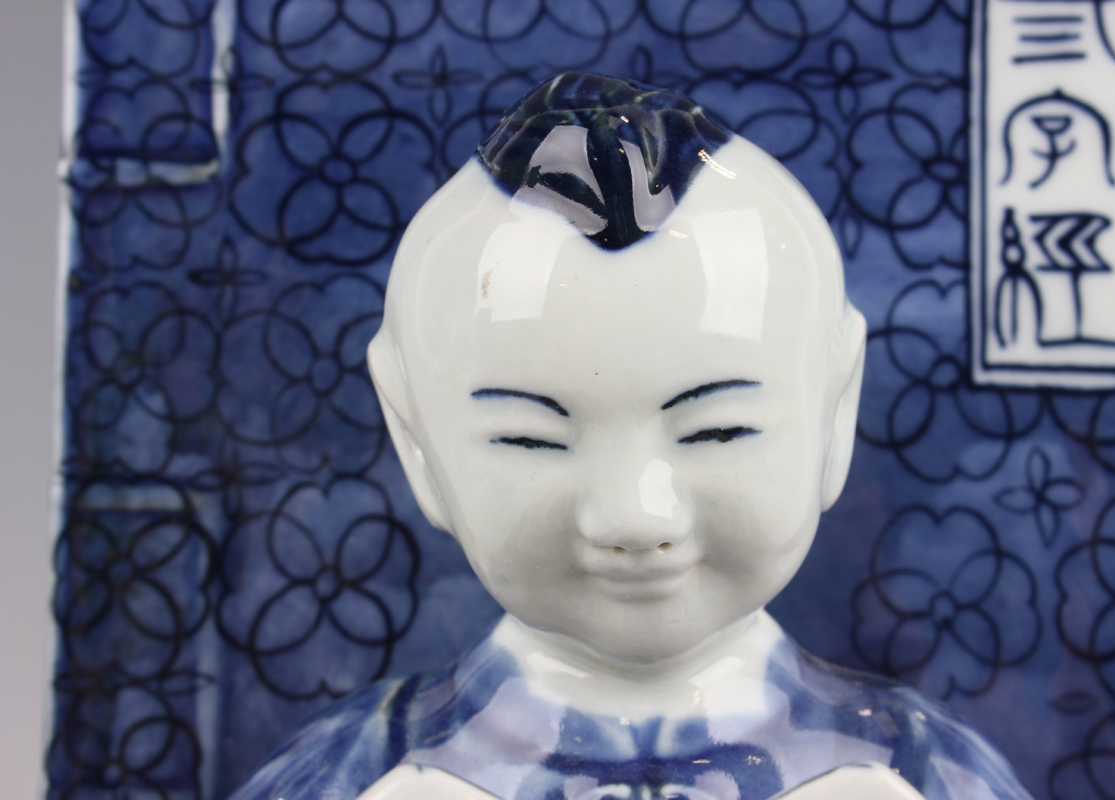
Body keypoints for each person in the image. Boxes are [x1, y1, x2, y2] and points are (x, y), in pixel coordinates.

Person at [230, 72, 1033, 800]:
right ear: (415, 439)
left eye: (718, 430)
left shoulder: (919, 774)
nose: (633, 516)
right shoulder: (357, 777)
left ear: (835, 409)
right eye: (531, 440)